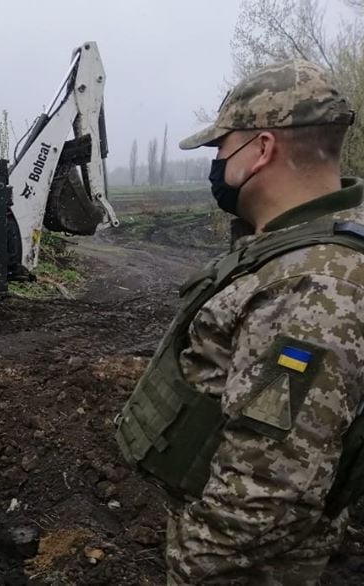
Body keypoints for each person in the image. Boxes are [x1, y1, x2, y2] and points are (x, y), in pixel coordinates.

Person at [115, 59, 364, 585]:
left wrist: (192, 572)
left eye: (221, 148)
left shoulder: (312, 288)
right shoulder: (302, 256)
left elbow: (268, 492)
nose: (217, 165)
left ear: (262, 150)